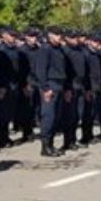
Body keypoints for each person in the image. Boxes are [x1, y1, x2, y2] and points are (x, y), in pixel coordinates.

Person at [36, 27, 67, 157]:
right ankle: (45, 146)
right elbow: (41, 70)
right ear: (50, 35)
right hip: (50, 84)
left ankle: (51, 144)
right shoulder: (45, 49)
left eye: (60, 34)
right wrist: (45, 88)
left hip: (59, 84)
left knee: (56, 117)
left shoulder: (59, 49)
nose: (59, 37)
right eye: (57, 34)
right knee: (48, 117)